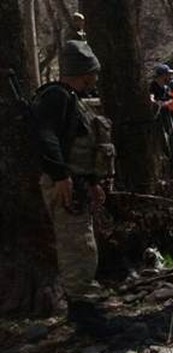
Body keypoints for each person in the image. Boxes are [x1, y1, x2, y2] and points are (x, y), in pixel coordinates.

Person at [31, 40, 116, 336]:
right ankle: (81, 309)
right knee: (76, 246)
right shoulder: (56, 96)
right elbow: (46, 136)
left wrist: (91, 182)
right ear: (83, 72)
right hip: (64, 183)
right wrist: (61, 175)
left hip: (75, 181)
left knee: (83, 244)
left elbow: (80, 145)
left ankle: (84, 304)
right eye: (91, 73)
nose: (94, 79)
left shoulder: (72, 98)